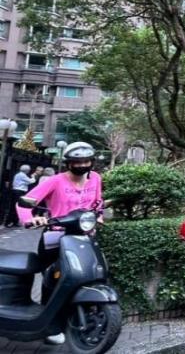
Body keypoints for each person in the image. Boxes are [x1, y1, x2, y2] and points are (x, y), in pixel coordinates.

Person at [16, 142, 103, 345]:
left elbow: (98, 201)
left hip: (83, 237)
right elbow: (25, 202)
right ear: (68, 163)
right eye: (77, 161)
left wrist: (98, 216)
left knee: (87, 275)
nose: (82, 165)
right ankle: (49, 325)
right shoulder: (55, 181)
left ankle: (77, 314)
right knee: (52, 279)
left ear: (91, 162)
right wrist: (31, 219)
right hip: (56, 236)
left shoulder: (96, 178)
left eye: (86, 161)